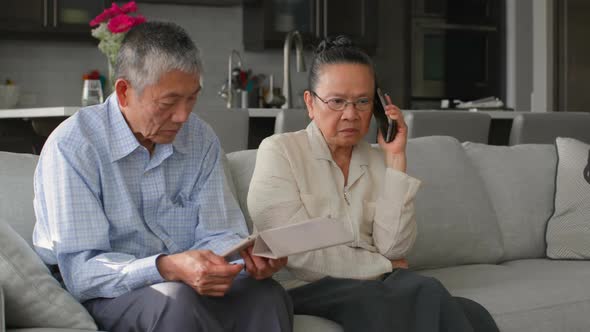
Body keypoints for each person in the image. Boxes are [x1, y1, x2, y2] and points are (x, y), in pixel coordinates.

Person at [32, 21, 292, 332]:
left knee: (266, 295)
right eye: (168, 103)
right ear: (125, 92)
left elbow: (219, 232)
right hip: (104, 293)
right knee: (177, 302)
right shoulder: (74, 146)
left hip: (184, 284)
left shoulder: (200, 138)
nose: (183, 116)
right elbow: (83, 271)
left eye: (191, 99)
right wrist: (166, 268)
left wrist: (242, 260)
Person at [247, 35, 499, 332]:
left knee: (472, 313)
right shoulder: (279, 151)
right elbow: (297, 256)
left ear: (377, 105)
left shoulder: (378, 160)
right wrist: (383, 265)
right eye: (337, 101)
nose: (351, 114)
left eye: (363, 101)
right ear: (310, 103)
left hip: (378, 286)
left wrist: (395, 160)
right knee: (416, 293)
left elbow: (394, 246)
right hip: (301, 286)